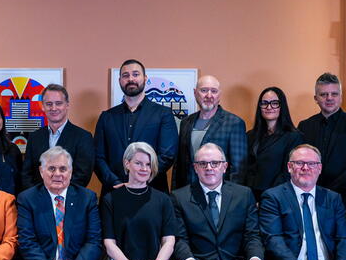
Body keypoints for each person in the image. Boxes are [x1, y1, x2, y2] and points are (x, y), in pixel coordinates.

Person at [94, 59, 177, 193]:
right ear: (120, 80)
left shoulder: (163, 114)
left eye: (135, 74)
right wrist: (114, 182)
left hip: (152, 191)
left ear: (145, 78)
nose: (131, 79)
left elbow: (167, 155)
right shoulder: (107, 117)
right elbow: (98, 157)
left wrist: (141, 179)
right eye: (126, 76)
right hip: (114, 192)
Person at [296, 72, 346, 210]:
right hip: (311, 198)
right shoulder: (304, 126)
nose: (329, 98)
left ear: (341, 97)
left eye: (334, 94)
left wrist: (328, 191)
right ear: (315, 98)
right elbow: (300, 163)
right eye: (323, 94)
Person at [172, 75, 248, 189]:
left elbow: (238, 169)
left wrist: (231, 198)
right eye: (204, 90)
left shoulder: (234, 123)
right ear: (195, 92)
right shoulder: (186, 122)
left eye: (214, 91)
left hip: (219, 196)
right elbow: (179, 165)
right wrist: (175, 193)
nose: (209, 95)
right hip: (187, 194)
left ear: (219, 94)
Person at [20, 84, 94, 192]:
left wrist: (58, 196)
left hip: (69, 201)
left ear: (67, 105)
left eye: (58, 103)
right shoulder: (34, 137)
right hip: (37, 202)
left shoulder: (83, 137)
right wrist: (38, 196)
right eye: (49, 104)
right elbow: (26, 174)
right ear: (43, 106)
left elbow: (82, 176)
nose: (53, 108)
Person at [244, 86, 304, 197]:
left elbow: (288, 172)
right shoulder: (250, 135)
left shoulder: (294, 137)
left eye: (274, 103)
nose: (269, 107)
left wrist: (269, 196)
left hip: (276, 196)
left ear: (282, 106)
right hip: (250, 196)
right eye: (264, 103)